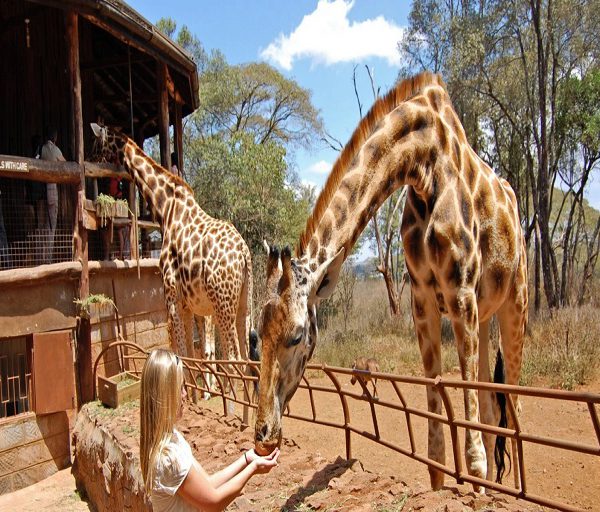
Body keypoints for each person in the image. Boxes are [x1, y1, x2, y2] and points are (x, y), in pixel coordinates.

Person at [140, 349, 280, 511]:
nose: (185, 394)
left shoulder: (172, 438)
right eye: (180, 388)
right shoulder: (168, 458)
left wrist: (247, 459)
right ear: (165, 395)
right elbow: (213, 502)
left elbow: (208, 483)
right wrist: (253, 469)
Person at [39, 126, 65, 263]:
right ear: (55, 138)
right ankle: (48, 258)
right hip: (52, 188)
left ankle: (41, 257)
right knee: (52, 224)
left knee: (43, 225)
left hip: (42, 189)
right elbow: (65, 164)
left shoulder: (42, 149)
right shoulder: (56, 150)